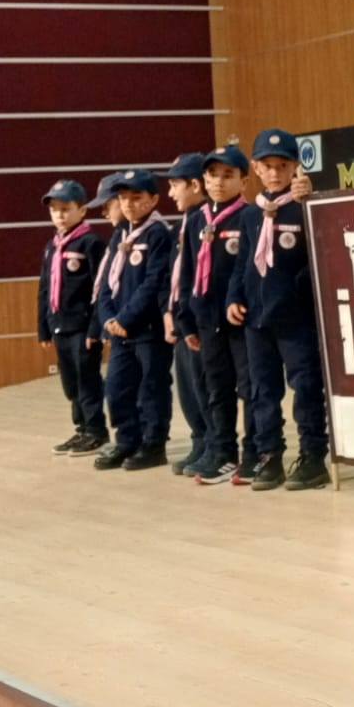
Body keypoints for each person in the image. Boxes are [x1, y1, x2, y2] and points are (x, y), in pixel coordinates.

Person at [225, 127, 331, 491]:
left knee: (306, 386)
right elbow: (243, 264)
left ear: (295, 167)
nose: (274, 173)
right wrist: (234, 298)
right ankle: (269, 456)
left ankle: (313, 456)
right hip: (256, 320)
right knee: (262, 391)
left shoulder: (304, 207)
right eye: (267, 166)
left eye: (282, 166)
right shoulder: (251, 215)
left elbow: (317, 260)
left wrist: (293, 293)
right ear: (255, 168)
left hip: (295, 319)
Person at [179, 144, 256, 486]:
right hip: (207, 320)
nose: (219, 182)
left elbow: (252, 269)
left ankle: (254, 452)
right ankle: (222, 451)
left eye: (228, 175)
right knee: (216, 387)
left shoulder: (249, 216)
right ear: (203, 180)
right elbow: (187, 272)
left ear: (244, 180)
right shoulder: (197, 220)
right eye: (213, 175)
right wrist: (186, 319)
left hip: (240, 320)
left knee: (249, 388)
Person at [93, 168, 175, 471]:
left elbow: (153, 283)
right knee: (117, 389)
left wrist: (126, 318)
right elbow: (107, 282)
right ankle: (127, 440)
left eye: (136, 197)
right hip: (119, 331)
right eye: (123, 198)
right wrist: (107, 318)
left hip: (147, 330)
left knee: (151, 389)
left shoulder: (159, 234)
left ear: (153, 200)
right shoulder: (120, 234)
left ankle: (153, 445)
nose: (128, 204)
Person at [37, 180, 109, 456]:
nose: (60, 214)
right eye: (54, 209)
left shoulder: (90, 243)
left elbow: (100, 288)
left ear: (82, 210)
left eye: (66, 208)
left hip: (82, 327)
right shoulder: (52, 246)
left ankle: (96, 431)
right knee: (70, 381)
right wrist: (43, 327)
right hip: (59, 325)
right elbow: (44, 288)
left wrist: (95, 328)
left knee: (87, 379)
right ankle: (81, 428)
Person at [163, 154, 211, 477]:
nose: (171, 193)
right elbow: (173, 275)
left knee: (205, 387)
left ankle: (215, 443)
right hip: (181, 321)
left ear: (195, 185)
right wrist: (169, 312)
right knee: (188, 389)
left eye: (174, 185)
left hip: (199, 322)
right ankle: (200, 441)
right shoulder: (182, 226)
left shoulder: (206, 222)